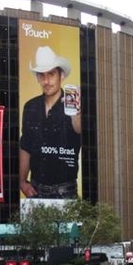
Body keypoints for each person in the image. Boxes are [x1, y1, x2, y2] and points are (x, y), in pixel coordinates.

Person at [20, 46, 81, 199]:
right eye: (42, 75)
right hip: (35, 189)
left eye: (51, 74)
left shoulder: (74, 105)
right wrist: (21, 181)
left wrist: (77, 113)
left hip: (66, 191)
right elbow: (26, 145)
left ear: (61, 76)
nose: (46, 81)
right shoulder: (30, 107)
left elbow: (79, 130)